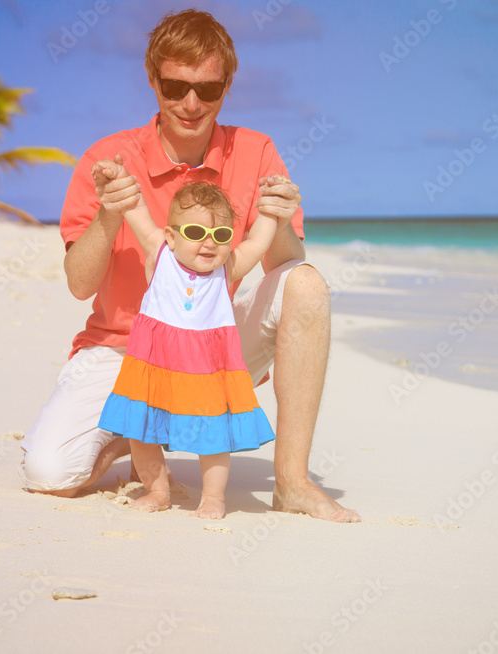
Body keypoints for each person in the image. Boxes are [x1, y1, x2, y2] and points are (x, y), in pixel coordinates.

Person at [19, 8, 360, 523]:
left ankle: (291, 481)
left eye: (209, 89)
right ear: (153, 79)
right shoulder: (109, 155)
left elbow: (285, 267)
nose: (192, 103)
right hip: (121, 351)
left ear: (228, 85)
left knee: (307, 285)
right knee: (50, 476)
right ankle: (123, 438)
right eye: (176, 86)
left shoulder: (256, 151)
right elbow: (79, 284)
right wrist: (112, 213)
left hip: (213, 341)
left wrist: (280, 218)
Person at [94, 167, 278, 519]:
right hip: (153, 361)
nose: (209, 242)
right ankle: (158, 489)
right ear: (172, 237)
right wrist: (118, 178)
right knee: (142, 432)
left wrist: (269, 209)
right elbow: (135, 208)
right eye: (196, 232)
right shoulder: (161, 254)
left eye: (220, 234)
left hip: (206, 368)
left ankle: (213, 498)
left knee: (213, 436)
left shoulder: (228, 267)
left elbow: (257, 242)